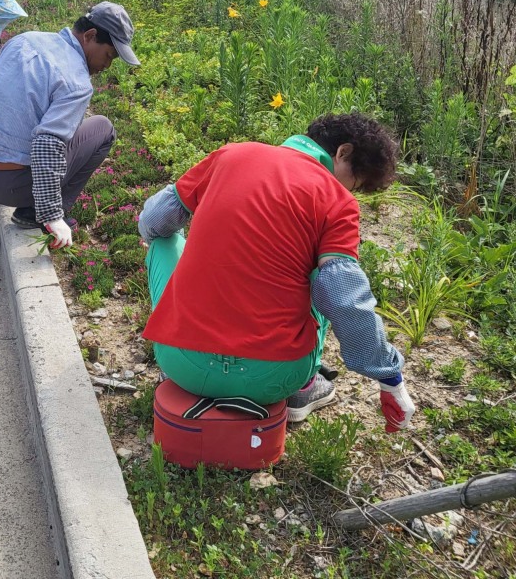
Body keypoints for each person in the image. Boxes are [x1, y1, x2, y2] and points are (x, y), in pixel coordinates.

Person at [138, 113, 417, 432]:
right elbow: (344, 300)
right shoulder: (337, 200)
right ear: (343, 152)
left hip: (180, 364)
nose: (349, 191)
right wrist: (390, 378)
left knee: (163, 240)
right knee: (326, 272)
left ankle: (180, 341)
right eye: (355, 183)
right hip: (274, 377)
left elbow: (154, 220)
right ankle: (304, 389)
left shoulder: (230, 156)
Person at [0, 1, 140, 249]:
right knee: (103, 128)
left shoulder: (23, 41)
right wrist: (52, 214)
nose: (107, 66)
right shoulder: (77, 82)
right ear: (89, 36)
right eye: (109, 55)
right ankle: (33, 212)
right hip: (14, 187)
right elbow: (47, 143)